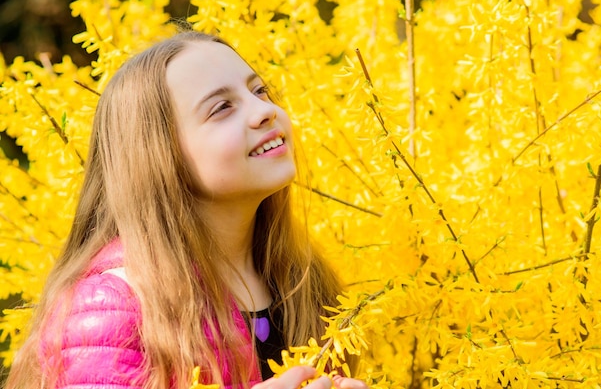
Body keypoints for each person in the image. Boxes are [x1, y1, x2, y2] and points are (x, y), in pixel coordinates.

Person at [5, 31, 367, 389]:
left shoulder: (304, 283)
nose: (265, 111)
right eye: (222, 108)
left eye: (260, 90)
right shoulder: (115, 309)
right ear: (161, 157)